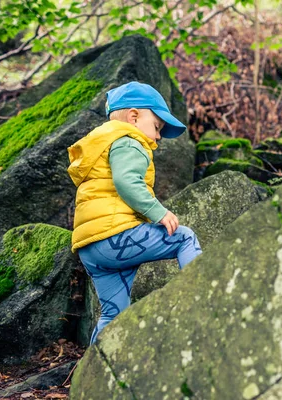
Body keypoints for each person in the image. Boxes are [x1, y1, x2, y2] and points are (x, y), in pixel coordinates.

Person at [67, 81, 202, 344]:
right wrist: (158, 212)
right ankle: (203, 295)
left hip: (91, 248)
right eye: (157, 127)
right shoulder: (129, 141)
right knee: (183, 237)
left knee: (113, 316)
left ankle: (93, 377)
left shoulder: (102, 144)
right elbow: (127, 182)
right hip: (114, 236)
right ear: (134, 117)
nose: (158, 136)